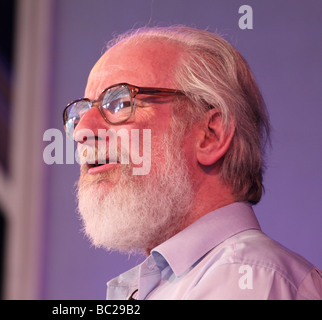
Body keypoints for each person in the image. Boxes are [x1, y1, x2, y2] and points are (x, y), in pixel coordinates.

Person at [62, 26, 322, 299]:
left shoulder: (249, 279)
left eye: (119, 103)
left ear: (210, 136)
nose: (82, 131)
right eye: (80, 113)